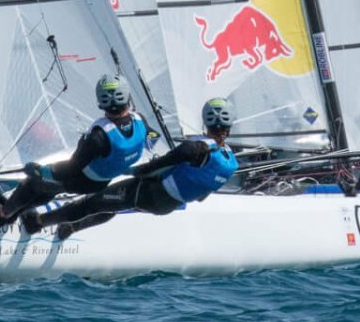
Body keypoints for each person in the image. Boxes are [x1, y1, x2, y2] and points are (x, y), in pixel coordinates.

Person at [28, 97, 238, 240]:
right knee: (114, 205)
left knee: (93, 203)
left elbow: (156, 166)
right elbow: (201, 196)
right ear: (229, 126)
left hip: (149, 193)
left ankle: (37, 222)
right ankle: (71, 227)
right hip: (167, 205)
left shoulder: (193, 148)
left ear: (206, 121)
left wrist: (133, 170)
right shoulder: (230, 163)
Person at [0, 75, 150, 228]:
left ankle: (2, 215)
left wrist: (41, 170)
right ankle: (23, 214)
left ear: (100, 102)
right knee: (49, 189)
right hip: (102, 181)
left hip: (83, 180)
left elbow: (71, 168)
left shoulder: (98, 137)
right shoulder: (140, 121)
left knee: (34, 184)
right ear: (127, 98)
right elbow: (144, 140)